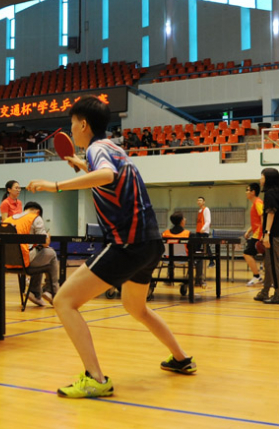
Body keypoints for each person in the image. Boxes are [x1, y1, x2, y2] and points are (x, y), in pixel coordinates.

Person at [27, 95, 195, 399]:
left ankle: (96, 378)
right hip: (150, 243)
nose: (71, 129)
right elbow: (109, 176)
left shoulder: (96, 149)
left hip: (127, 243)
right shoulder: (114, 148)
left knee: (63, 302)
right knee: (135, 307)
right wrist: (80, 164)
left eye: (72, 123)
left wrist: (55, 186)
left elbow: (107, 175)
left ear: (83, 124)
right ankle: (181, 359)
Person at [3, 201, 60, 307]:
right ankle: (50, 292)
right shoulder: (35, 218)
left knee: (40, 254)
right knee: (51, 253)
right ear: (37, 211)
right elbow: (45, 243)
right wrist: (47, 235)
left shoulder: (8, 220)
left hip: (6, 262)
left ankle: (35, 293)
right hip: (25, 261)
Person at [256, 168, 279, 304]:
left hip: (274, 234)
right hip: (275, 234)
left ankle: (277, 294)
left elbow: (271, 213)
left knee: (274, 265)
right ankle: (266, 291)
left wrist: (266, 233)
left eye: (262, 177)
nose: (260, 179)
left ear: (268, 178)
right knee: (270, 264)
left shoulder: (270, 193)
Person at [243, 183, 264, 286]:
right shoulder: (254, 203)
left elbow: (263, 218)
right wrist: (249, 231)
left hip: (259, 235)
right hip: (256, 234)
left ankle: (257, 276)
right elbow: (257, 221)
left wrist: (264, 234)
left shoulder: (258, 203)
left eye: (248, 190)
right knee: (266, 258)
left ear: (253, 192)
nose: (246, 192)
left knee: (247, 253)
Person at [162, 211, 191, 284]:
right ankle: (198, 280)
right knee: (198, 258)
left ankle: (170, 277)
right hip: (184, 259)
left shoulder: (165, 233)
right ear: (181, 221)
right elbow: (193, 248)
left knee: (171, 256)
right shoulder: (188, 233)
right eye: (184, 218)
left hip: (167, 258)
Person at [196, 196, 214, 273]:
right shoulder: (199, 211)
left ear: (204, 202)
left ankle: (212, 262)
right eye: (198, 200)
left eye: (200, 200)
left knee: (206, 247)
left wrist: (203, 229)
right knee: (197, 247)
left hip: (203, 232)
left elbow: (208, 221)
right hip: (198, 231)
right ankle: (197, 261)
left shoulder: (206, 209)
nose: (199, 201)